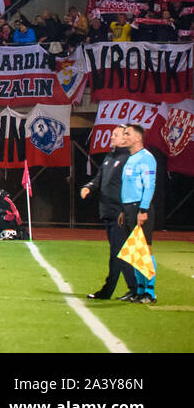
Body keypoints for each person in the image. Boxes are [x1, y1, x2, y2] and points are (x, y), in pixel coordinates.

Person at [80, 125, 128, 300]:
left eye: (116, 135)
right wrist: (88, 187)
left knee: (118, 253)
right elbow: (99, 179)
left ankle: (108, 291)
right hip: (107, 211)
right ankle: (137, 290)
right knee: (122, 253)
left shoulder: (128, 159)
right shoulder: (110, 157)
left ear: (126, 138)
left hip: (120, 214)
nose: (111, 137)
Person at [118, 123, 158, 304]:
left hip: (139, 209)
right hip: (128, 208)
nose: (124, 137)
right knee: (135, 251)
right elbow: (129, 187)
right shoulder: (131, 158)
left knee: (145, 250)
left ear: (138, 138)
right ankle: (139, 291)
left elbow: (149, 186)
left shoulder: (146, 158)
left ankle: (150, 293)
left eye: (127, 134)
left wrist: (143, 210)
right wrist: (122, 210)